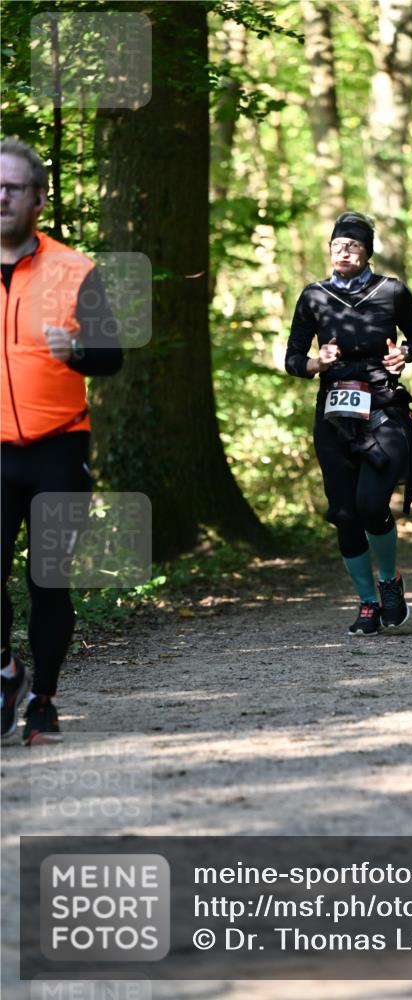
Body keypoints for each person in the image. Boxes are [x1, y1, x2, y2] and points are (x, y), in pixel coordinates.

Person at [1, 137, 122, 745]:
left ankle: (42, 700)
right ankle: (7, 671)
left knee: (48, 581)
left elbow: (111, 356)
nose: (1, 196)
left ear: (39, 199)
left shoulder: (74, 270)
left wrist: (74, 350)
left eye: (13, 187)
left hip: (59, 447)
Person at [285, 211, 412, 636]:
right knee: (346, 514)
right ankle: (368, 603)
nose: (343, 252)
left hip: (383, 406)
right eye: (336, 245)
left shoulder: (391, 291)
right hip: (334, 414)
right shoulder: (314, 296)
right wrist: (317, 363)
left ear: (367, 251)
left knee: (371, 506)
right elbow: (292, 359)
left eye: (352, 245)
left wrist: (404, 353)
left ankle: (389, 581)